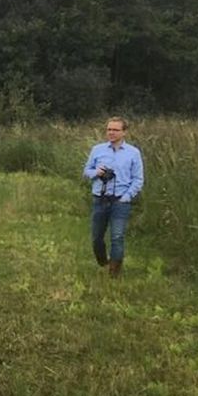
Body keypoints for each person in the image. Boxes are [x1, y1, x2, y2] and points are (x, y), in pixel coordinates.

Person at [82, 116, 145, 277]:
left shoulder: (133, 153)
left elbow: (138, 179)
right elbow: (86, 172)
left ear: (124, 132)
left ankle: (114, 273)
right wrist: (96, 172)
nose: (111, 132)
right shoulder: (97, 149)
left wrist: (127, 196)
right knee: (97, 237)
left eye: (115, 130)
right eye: (109, 129)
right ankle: (103, 261)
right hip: (100, 199)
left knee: (117, 236)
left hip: (120, 200)